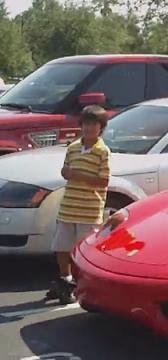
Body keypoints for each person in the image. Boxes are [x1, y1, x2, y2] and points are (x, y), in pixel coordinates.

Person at [46, 105, 111, 304]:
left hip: (89, 209)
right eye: (86, 124)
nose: (89, 128)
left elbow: (104, 180)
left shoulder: (102, 151)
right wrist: (66, 173)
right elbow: (66, 170)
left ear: (101, 128)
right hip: (69, 206)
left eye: (94, 125)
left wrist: (79, 176)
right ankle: (64, 279)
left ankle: (80, 282)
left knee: (83, 249)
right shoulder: (73, 147)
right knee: (61, 246)